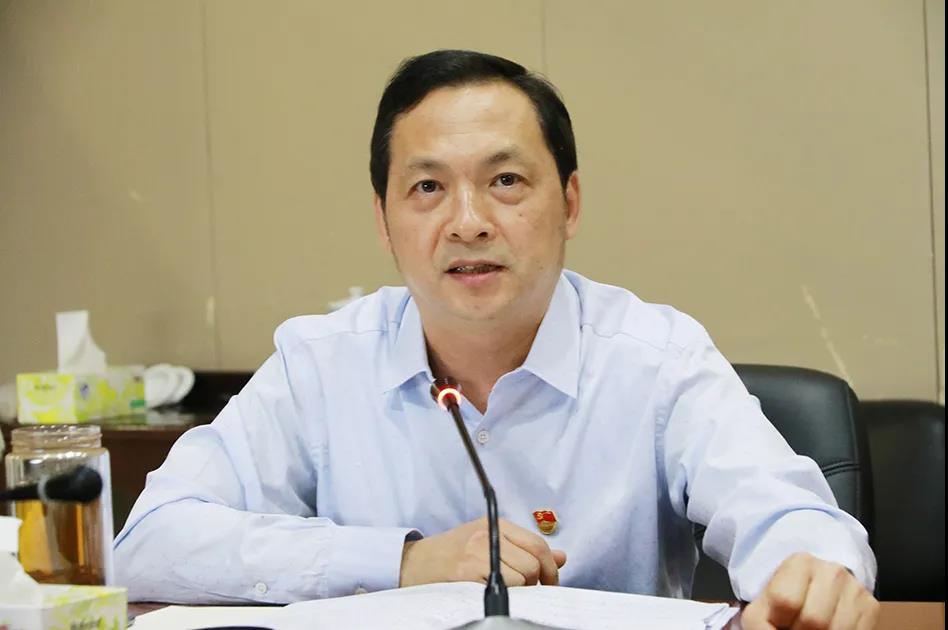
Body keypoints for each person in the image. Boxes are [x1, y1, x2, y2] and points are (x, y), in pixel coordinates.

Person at [115, 50, 879, 629]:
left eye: (505, 181)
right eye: (427, 187)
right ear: (383, 220)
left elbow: (788, 517)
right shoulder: (319, 363)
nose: (469, 221)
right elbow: (149, 541)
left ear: (569, 202)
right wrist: (403, 562)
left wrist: (815, 574)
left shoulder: (657, 357)